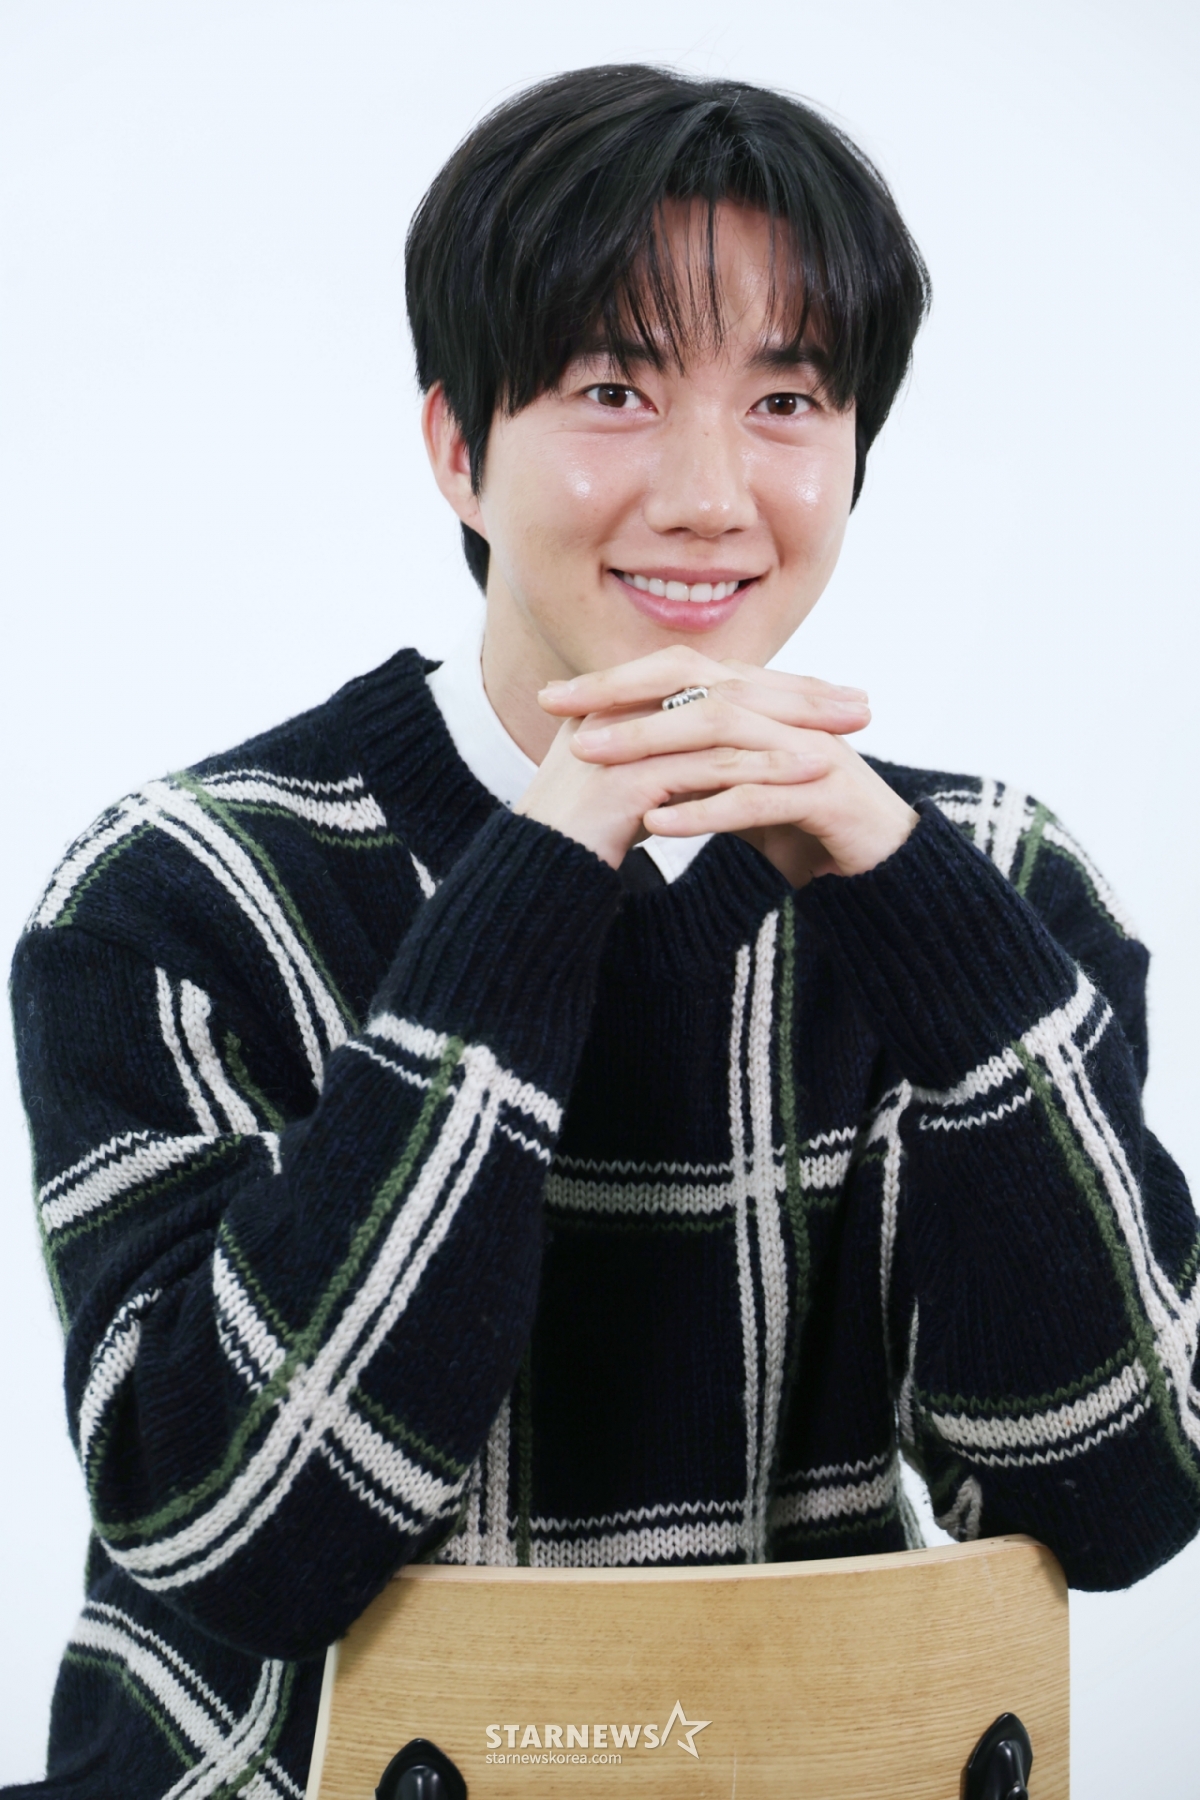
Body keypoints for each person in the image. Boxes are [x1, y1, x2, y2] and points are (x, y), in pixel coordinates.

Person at [8, 62, 1199, 1800]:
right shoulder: (177, 888)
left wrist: (921, 907)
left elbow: (1118, 1495)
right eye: (615, 389)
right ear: (458, 447)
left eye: (786, 399)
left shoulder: (996, 881)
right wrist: (544, 873)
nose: (713, 494)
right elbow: (235, 1533)